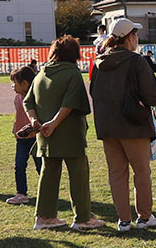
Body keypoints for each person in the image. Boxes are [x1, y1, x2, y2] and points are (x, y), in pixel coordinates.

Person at [23, 36, 104, 231]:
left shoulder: (41, 73)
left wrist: (35, 121)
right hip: (68, 133)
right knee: (78, 174)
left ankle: (43, 217)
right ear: (74, 53)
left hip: (45, 133)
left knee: (48, 174)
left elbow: (28, 101)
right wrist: (54, 123)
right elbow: (70, 103)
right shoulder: (72, 74)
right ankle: (83, 218)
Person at [90, 17, 156, 232]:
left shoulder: (99, 63)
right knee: (141, 172)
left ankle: (123, 220)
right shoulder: (137, 61)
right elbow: (152, 96)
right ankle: (144, 216)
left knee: (117, 174)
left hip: (108, 126)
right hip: (134, 125)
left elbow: (94, 93)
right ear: (129, 37)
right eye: (135, 35)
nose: (137, 38)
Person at [6, 66, 43, 205]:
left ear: (25, 83)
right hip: (21, 138)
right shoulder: (18, 97)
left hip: (35, 138)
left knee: (41, 167)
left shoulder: (37, 97)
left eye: (14, 82)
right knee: (19, 166)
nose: (12, 86)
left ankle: (47, 192)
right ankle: (21, 193)